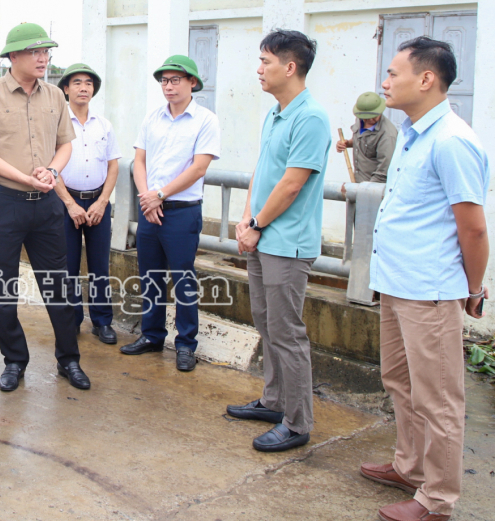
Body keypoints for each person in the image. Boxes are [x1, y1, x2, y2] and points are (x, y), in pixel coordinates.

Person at [360, 37, 489, 521]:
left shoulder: (452, 141)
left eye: (394, 73)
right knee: (400, 381)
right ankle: (410, 466)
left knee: (438, 399)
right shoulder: (414, 134)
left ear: (427, 79)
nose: (385, 82)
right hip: (397, 283)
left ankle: (437, 500)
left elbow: (473, 228)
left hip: (430, 290)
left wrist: (473, 290)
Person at [0, 22, 89, 393]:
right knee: (2, 288)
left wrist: (52, 171)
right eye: (35, 52)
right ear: (13, 56)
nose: (43, 58)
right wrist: (23, 177)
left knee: (58, 286)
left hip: (46, 206)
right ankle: (14, 360)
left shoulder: (54, 96)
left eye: (46, 52)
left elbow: (66, 144)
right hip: (4, 204)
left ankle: (69, 359)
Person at [228, 30, 330, 453]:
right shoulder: (276, 113)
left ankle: (297, 422)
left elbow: (291, 184)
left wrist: (256, 223)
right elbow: (262, 170)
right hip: (262, 235)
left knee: (287, 332)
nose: (259, 69)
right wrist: (246, 218)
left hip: (287, 243)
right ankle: (274, 402)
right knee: (266, 323)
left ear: (290, 67)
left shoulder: (311, 118)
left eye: (265, 61)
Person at [121, 56, 220, 372]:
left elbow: (199, 168)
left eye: (176, 79)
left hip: (181, 212)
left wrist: (160, 195)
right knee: (149, 276)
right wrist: (147, 198)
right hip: (150, 209)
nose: (169, 86)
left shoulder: (205, 120)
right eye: (164, 80)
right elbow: (139, 161)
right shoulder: (153, 118)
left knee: (183, 278)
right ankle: (151, 335)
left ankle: (186, 344)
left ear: (192, 82)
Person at [53, 64, 121, 344]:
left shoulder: (104, 125)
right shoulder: (57, 124)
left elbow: (113, 165)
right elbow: (51, 168)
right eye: (77, 82)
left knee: (100, 265)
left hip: (97, 203)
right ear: (66, 89)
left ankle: (102, 321)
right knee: (67, 266)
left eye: (89, 83)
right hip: (65, 203)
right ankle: (71, 321)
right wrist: (70, 204)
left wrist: (103, 201)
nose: (84, 88)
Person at [335, 91, 397, 183]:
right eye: (367, 117)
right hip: (358, 183)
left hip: (373, 186)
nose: (371, 119)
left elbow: (383, 172)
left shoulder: (388, 134)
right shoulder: (360, 119)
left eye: (374, 116)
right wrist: (347, 143)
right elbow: (363, 141)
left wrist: (367, 189)